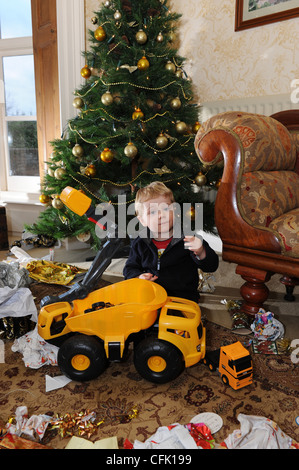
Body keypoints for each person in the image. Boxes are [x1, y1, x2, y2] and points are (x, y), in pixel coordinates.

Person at [123, 181, 219, 302]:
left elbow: (212, 265)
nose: (160, 215)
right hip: (152, 296)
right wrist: (138, 277)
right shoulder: (140, 242)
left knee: (183, 319)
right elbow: (129, 269)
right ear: (142, 220)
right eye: (152, 212)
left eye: (165, 208)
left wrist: (201, 252)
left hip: (183, 297)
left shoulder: (188, 237)